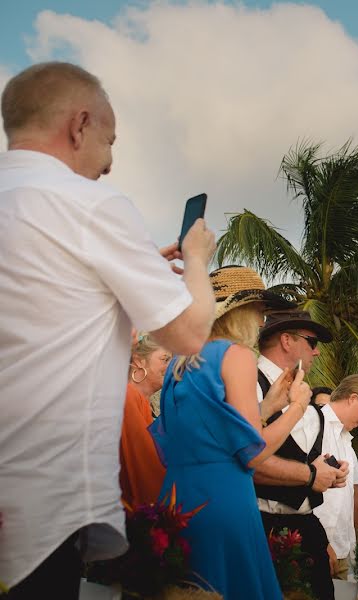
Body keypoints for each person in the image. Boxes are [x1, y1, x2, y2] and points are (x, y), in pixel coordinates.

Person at [0, 62, 215, 599]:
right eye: (109, 140)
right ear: (79, 125)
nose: (110, 162)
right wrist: (194, 261)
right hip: (38, 500)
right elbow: (189, 334)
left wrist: (135, 266)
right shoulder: (91, 204)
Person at [151, 265, 311, 599]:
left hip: (176, 500)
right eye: (258, 311)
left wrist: (265, 408)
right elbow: (252, 451)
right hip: (223, 500)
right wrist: (297, 406)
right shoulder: (236, 355)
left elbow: (210, 429)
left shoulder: (181, 362)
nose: (262, 322)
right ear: (241, 313)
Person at [254, 309, 348, 600]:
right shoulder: (248, 384)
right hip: (260, 527)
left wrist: (328, 471)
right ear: (286, 340)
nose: (317, 352)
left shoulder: (307, 401)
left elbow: (301, 457)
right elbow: (244, 457)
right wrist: (309, 475)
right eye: (311, 341)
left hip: (307, 526)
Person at [314, 374, 358, 580]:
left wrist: (352, 545)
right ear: (352, 398)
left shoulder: (347, 441)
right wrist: (321, 544)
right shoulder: (314, 426)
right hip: (318, 548)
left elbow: (346, 500)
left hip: (343, 549)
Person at [120, 332, 170, 507]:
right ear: (139, 360)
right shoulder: (128, 397)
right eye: (165, 359)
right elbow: (144, 465)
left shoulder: (145, 403)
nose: (170, 366)